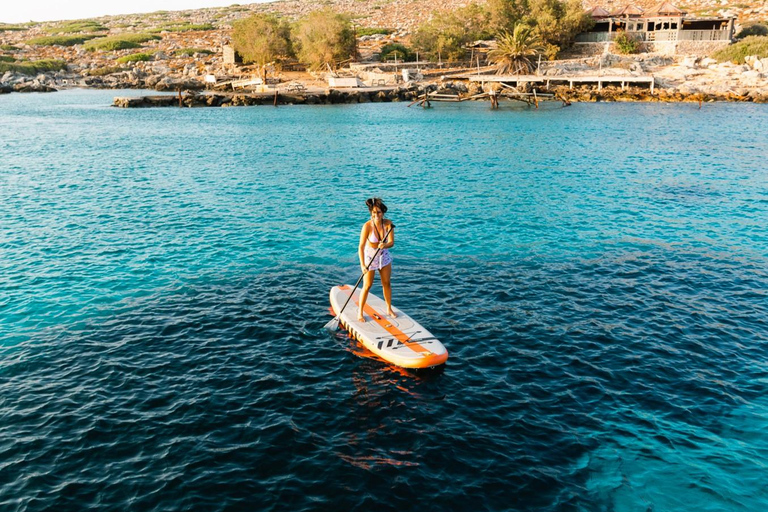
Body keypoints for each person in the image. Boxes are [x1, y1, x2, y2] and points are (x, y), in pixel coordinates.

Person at [358, 197, 396, 322]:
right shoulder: (367, 226)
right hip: (370, 257)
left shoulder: (388, 224)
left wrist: (384, 245)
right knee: (367, 285)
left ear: (383, 212)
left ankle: (389, 308)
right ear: (371, 213)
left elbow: (391, 242)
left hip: (384, 256)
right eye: (374, 213)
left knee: (386, 283)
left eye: (379, 212)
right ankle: (360, 312)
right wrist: (363, 265)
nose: (377, 215)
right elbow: (361, 246)